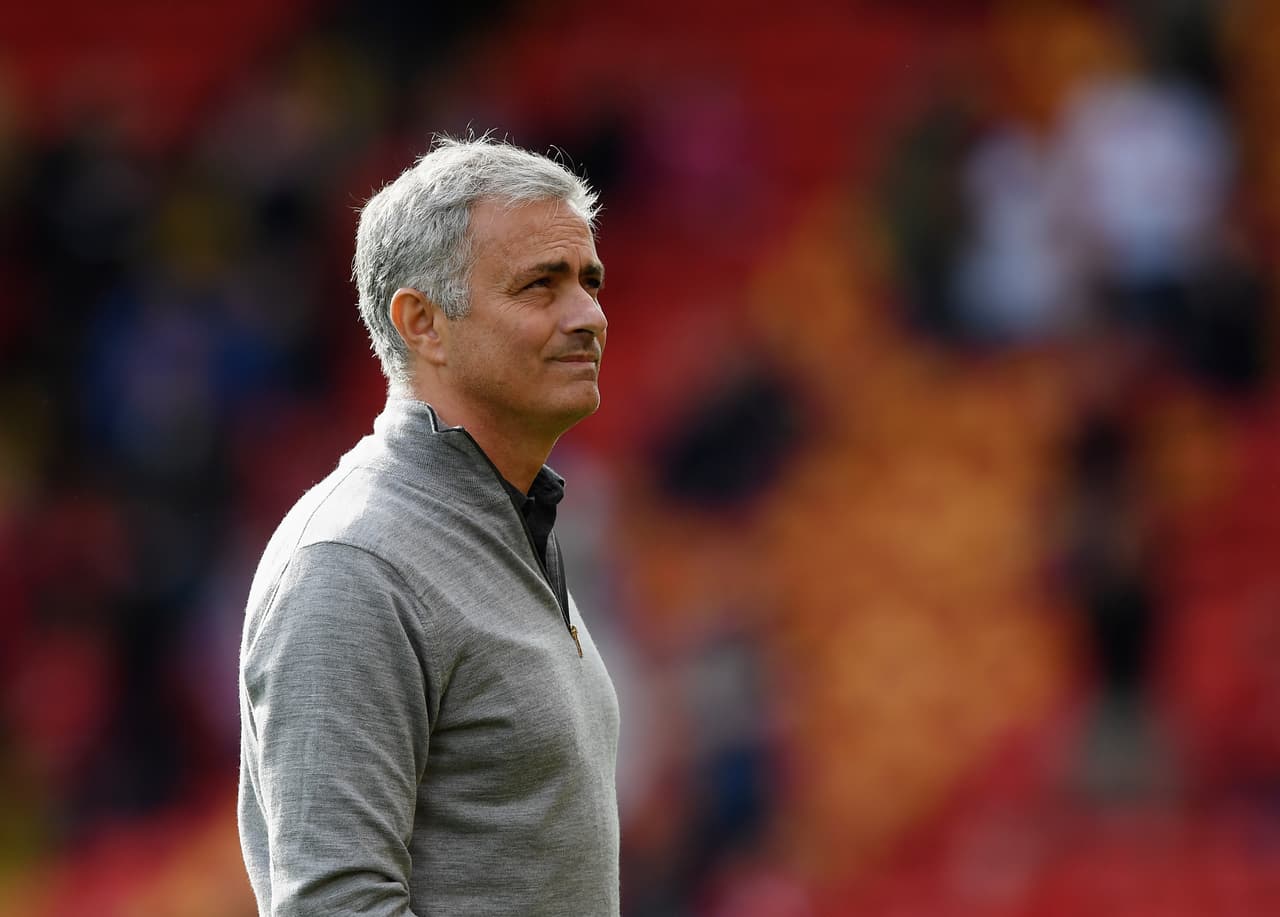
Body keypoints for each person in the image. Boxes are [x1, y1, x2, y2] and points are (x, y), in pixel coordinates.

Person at [236, 137, 619, 916]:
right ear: (423, 323)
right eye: (540, 286)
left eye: (588, 280)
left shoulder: (509, 520)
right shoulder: (355, 563)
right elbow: (337, 905)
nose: (589, 315)